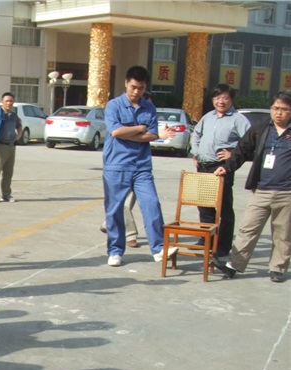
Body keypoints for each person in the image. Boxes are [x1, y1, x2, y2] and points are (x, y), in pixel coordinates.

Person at [213, 90, 291, 283]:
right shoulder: (262, 127)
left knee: (282, 232)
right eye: (275, 108)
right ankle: (234, 265)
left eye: (284, 109)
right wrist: (227, 168)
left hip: (287, 192)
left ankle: (277, 268)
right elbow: (242, 150)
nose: (278, 113)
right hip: (262, 189)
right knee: (248, 228)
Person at [102, 65, 177, 267]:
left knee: (152, 203)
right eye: (133, 87)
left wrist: (130, 132)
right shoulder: (113, 106)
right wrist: (141, 128)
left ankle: (158, 249)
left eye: (141, 88)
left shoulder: (149, 107)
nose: (136, 92)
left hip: (142, 166)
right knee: (114, 210)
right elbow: (116, 132)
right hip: (116, 164)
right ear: (126, 83)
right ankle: (115, 251)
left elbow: (152, 135)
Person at [192, 83, 251, 257]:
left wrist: (232, 154)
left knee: (223, 208)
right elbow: (196, 135)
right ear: (212, 99)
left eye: (225, 98)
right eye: (217, 98)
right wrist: (196, 153)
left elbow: (249, 142)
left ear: (231, 99)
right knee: (204, 206)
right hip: (203, 166)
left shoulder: (238, 119)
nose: (221, 101)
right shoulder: (208, 117)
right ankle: (205, 239)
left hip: (222, 167)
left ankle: (223, 246)